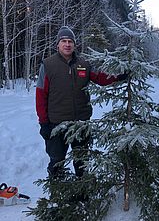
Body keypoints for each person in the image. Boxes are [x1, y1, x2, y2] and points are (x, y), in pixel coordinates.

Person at [36, 26, 126, 178]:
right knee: (57, 160)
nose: (67, 44)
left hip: (81, 122)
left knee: (81, 160)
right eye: (63, 41)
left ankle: (82, 194)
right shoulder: (48, 65)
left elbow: (100, 78)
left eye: (70, 41)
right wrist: (44, 123)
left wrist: (118, 76)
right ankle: (57, 192)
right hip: (56, 124)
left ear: (74, 44)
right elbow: (40, 95)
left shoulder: (84, 64)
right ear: (57, 44)